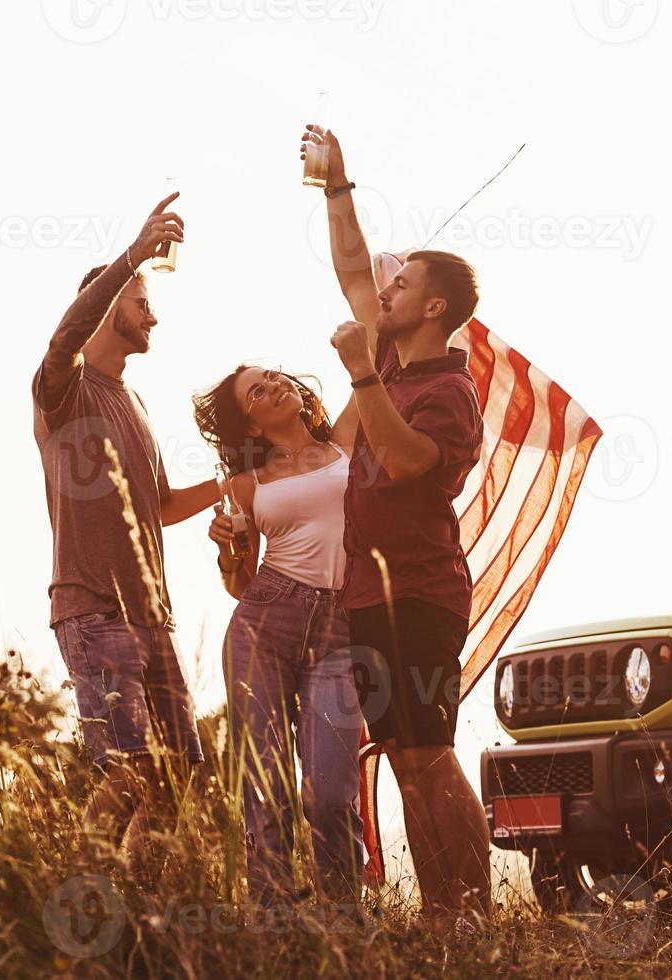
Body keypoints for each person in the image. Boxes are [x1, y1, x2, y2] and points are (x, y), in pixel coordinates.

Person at [301, 126, 492, 915]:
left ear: (433, 306)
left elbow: (409, 461)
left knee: (432, 754)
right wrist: (337, 187)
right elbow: (353, 262)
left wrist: (356, 375)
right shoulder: (389, 355)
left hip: (420, 593)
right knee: (406, 761)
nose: (386, 291)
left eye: (402, 284)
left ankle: (475, 915)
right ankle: (443, 913)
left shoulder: (450, 388)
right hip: (369, 597)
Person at [32, 191, 218, 862]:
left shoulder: (136, 402)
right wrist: (133, 254)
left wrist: (236, 480)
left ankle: (143, 915)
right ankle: (70, 885)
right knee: (130, 767)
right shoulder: (63, 386)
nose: (155, 317)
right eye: (143, 303)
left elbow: (163, 506)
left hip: (153, 618)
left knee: (175, 779)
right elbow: (63, 338)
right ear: (110, 305)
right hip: (94, 611)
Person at [195, 363, 365, 903]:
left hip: (341, 629)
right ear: (250, 426)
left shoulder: (343, 442)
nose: (275, 385)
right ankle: (274, 933)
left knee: (332, 793)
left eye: (274, 376)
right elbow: (241, 584)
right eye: (258, 391)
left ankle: (343, 928)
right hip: (264, 625)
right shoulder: (247, 484)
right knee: (266, 792)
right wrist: (226, 547)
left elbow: (374, 363)